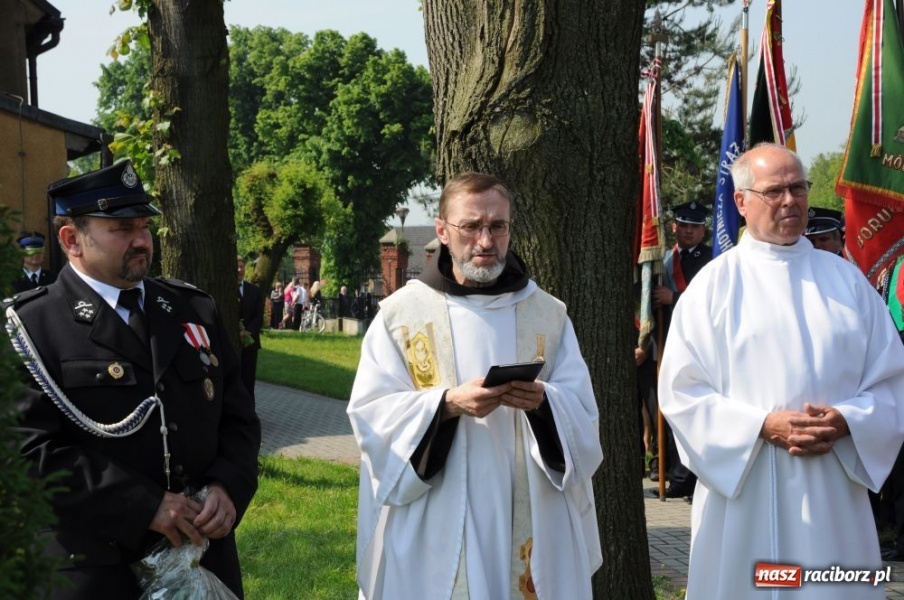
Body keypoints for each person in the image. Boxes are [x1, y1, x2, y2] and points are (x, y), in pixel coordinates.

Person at [5, 160, 261, 599]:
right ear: (72, 240)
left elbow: (238, 418)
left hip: (203, 561)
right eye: (122, 229)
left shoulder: (192, 309)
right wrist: (144, 506)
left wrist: (227, 486)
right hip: (92, 572)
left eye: (144, 226)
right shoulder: (29, 328)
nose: (142, 240)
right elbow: (27, 454)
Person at [658, 143, 904, 599]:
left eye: (798, 188)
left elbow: (893, 381)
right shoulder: (713, 286)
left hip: (833, 491)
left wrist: (849, 420)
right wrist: (760, 425)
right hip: (745, 493)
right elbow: (681, 394)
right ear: (741, 201)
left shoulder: (848, 282)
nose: (790, 200)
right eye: (775, 191)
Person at [347, 172, 603, 600]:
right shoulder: (400, 315)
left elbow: (582, 415)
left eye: (497, 226)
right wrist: (445, 404)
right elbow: (372, 416)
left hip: (532, 513)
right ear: (443, 231)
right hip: (436, 515)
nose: (485, 240)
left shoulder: (548, 314)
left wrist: (545, 405)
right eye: (471, 227)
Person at [648, 201, 713, 499]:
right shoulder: (663, 259)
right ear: (674, 227)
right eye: (683, 225)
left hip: (700, 344)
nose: (688, 231)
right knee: (671, 408)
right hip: (667, 342)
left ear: (703, 230)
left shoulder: (711, 258)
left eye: (694, 226)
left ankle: (688, 478)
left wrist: (673, 297)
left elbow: (708, 299)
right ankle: (676, 474)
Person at [237, 255, 263, 399]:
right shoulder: (225, 288)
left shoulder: (254, 291)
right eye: (237, 266)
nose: (239, 269)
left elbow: (259, 316)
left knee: (248, 380)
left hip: (250, 343)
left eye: (242, 266)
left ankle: (249, 412)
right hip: (233, 343)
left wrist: (248, 331)